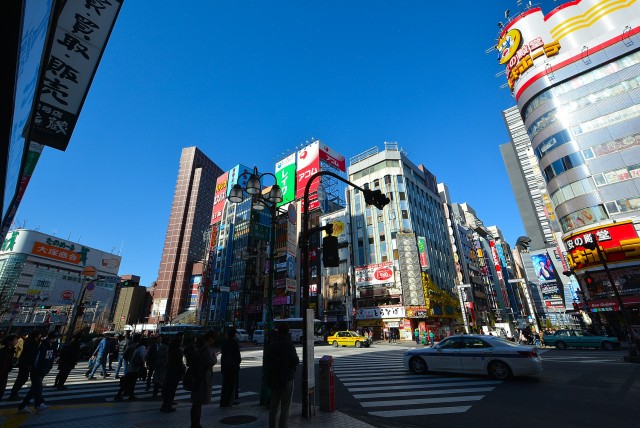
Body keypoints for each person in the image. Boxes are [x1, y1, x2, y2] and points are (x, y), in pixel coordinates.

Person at [267, 323, 299, 428]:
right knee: (285, 408)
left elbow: (268, 362)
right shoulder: (289, 346)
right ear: (287, 332)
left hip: (274, 379)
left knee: (273, 408)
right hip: (287, 379)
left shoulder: (272, 345)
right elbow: (295, 361)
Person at [17, 332, 58, 414]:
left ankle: (23, 406)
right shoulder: (43, 345)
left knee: (34, 389)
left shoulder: (50, 345)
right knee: (39, 387)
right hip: (37, 370)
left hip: (43, 369)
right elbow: (38, 358)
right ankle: (39, 404)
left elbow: (49, 358)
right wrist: (37, 367)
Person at [190, 331, 217, 428]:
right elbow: (209, 363)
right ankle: (195, 424)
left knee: (196, 403)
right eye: (213, 339)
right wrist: (214, 358)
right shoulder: (205, 350)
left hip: (197, 377)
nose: (213, 342)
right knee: (198, 403)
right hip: (202, 378)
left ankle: (195, 423)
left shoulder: (199, 348)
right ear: (210, 339)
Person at [8, 331, 42, 401]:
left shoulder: (29, 341)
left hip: (24, 363)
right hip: (26, 363)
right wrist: (29, 364)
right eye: (40, 334)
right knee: (22, 378)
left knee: (22, 378)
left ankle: (14, 393)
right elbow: (31, 354)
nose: (40, 335)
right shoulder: (32, 342)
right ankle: (13, 394)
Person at [114, 333, 145, 401]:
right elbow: (142, 357)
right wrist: (143, 365)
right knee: (132, 382)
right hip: (136, 366)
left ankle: (124, 394)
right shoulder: (141, 347)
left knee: (127, 381)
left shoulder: (131, 346)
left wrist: (129, 360)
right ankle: (126, 395)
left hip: (130, 365)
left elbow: (124, 355)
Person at [161, 332, 186, 413]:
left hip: (171, 370)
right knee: (171, 388)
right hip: (174, 371)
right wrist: (183, 369)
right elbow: (179, 362)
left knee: (170, 388)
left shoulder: (172, 348)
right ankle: (166, 406)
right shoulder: (177, 350)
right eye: (181, 339)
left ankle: (167, 404)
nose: (182, 340)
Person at [220, 327, 241, 408]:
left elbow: (223, 356)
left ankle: (223, 402)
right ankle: (230, 401)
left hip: (225, 367)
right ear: (234, 334)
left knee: (225, 385)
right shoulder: (235, 343)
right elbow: (238, 357)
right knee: (232, 385)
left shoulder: (225, 343)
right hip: (233, 367)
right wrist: (237, 363)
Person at [0, 334, 18, 401]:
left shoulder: (11, 351)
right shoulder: (5, 351)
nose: (16, 341)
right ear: (9, 342)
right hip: (2, 374)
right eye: (15, 340)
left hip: (4, 373)